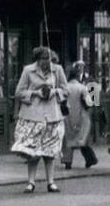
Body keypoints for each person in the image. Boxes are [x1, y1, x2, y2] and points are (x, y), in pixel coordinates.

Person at [11, 46, 68, 193]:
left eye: (49, 59)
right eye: (43, 59)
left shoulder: (58, 70)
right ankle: (31, 182)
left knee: (50, 151)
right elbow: (18, 92)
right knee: (33, 152)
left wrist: (54, 92)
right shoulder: (28, 70)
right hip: (32, 115)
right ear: (38, 59)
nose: (47, 63)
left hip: (52, 116)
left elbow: (65, 90)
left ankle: (51, 182)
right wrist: (35, 93)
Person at [61, 62, 98, 170]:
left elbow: (61, 100)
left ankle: (67, 161)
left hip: (67, 116)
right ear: (77, 76)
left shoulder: (65, 88)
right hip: (81, 115)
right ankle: (90, 159)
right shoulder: (82, 88)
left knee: (68, 139)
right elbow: (89, 102)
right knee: (82, 138)